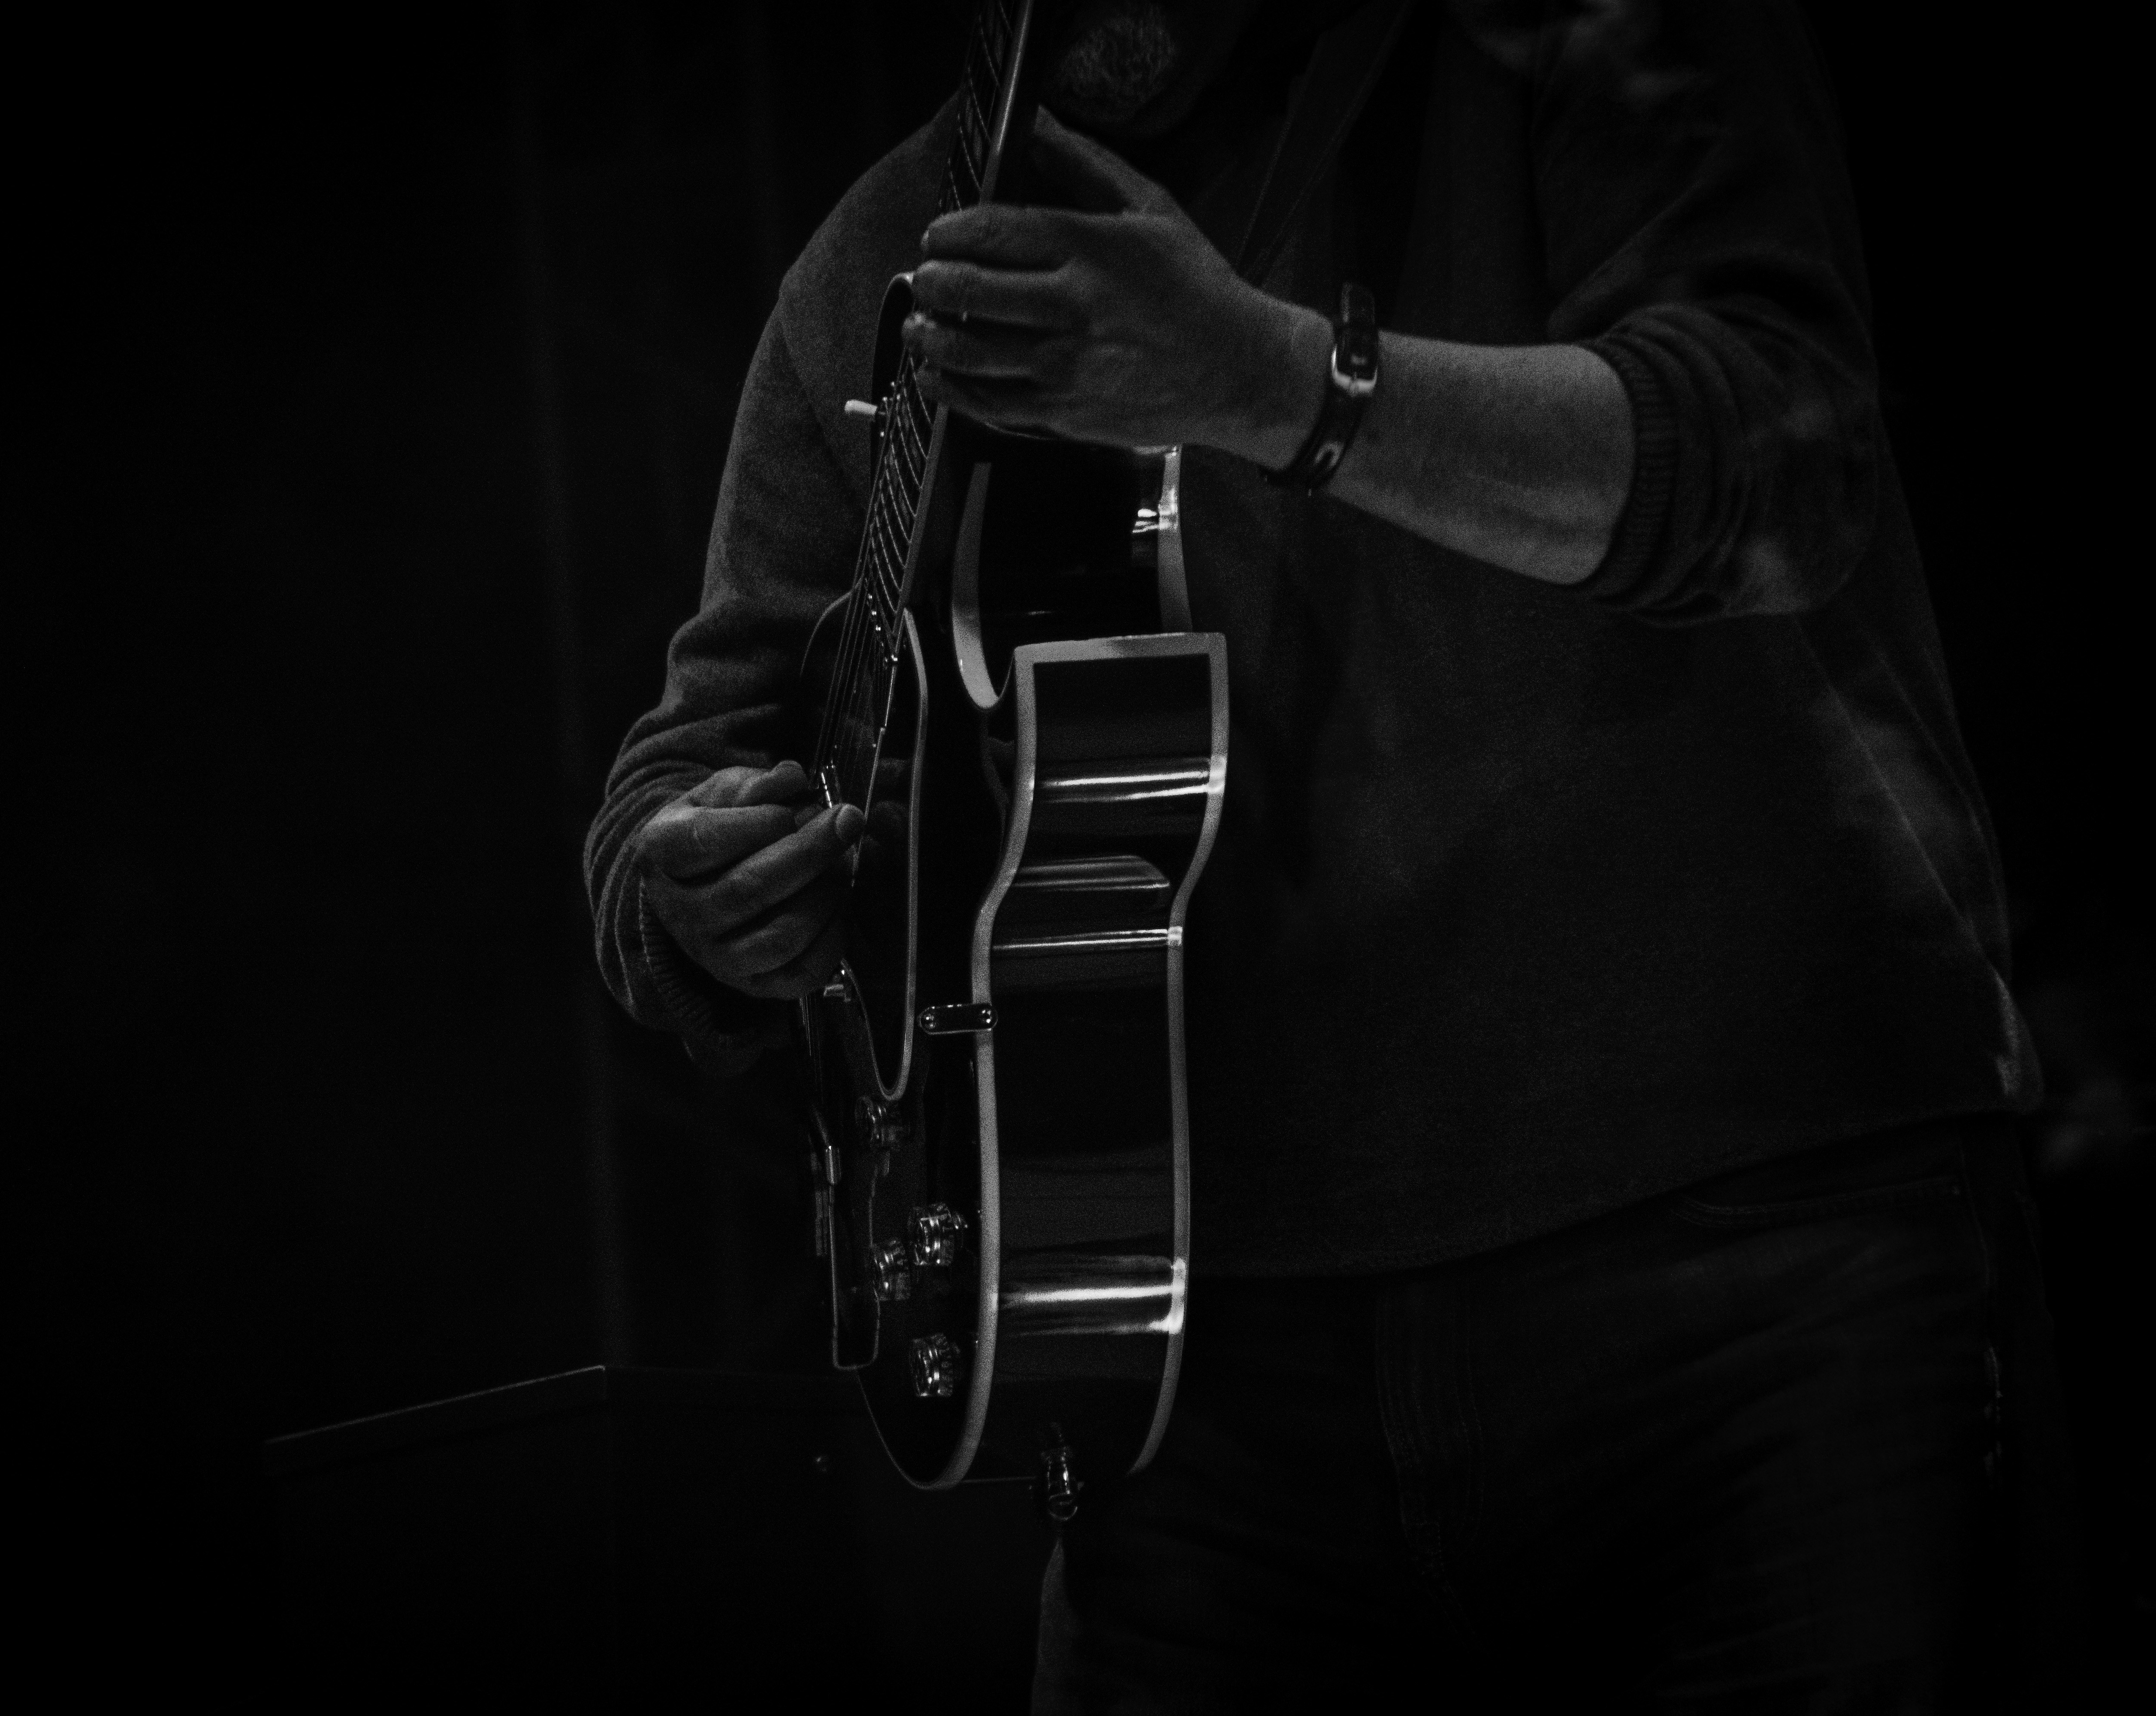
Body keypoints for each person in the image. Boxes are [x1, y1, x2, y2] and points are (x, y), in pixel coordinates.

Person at [583, 0, 2078, 1704]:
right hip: (1192, 1379)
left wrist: (1274, 381)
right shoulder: (889, 244)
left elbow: (1772, 459)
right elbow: (700, 755)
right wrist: (691, 884)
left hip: (1751, 1265)